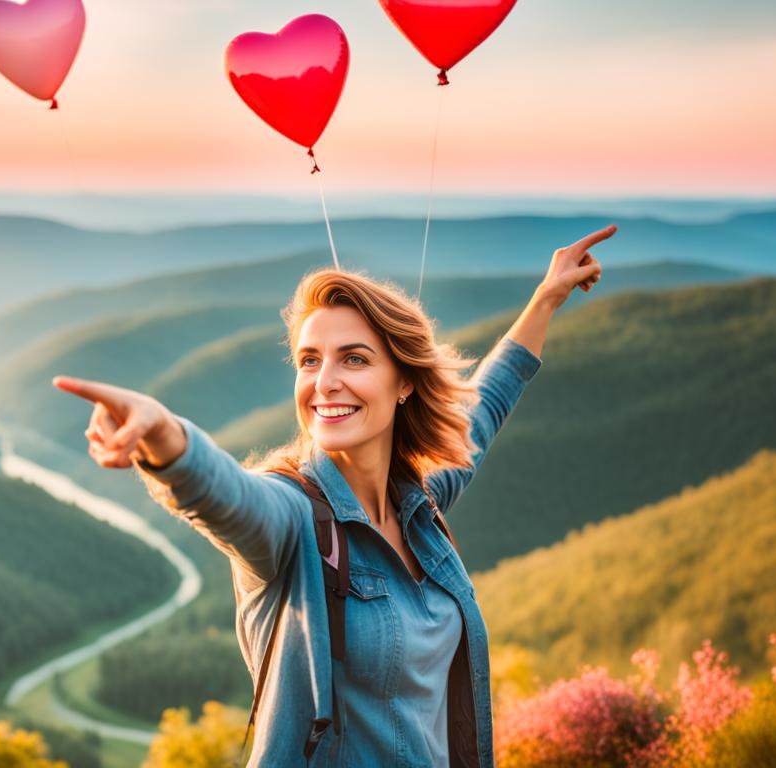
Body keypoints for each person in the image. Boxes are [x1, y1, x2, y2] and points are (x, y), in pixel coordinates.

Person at [52, 223, 615, 767]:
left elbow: (482, 410)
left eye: (354, 358)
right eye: (309, 360)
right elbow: (226, 497)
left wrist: (546, 298)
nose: (324, 381)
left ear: (405, 383)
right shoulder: (292, 517)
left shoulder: (420, 504)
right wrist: (162, 436)